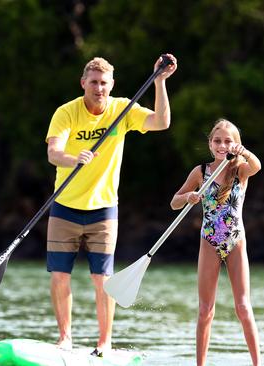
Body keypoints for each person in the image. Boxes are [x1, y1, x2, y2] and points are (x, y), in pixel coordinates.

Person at [45, 54, 177, 356]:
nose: (99, 88)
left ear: (112, 85)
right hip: (64, 205)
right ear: (83, 83)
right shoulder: (66, 113)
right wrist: (72, 159)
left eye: (104, 83)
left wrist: (159, 83)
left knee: (102, 279)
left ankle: (104, 342)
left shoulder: (122, 110)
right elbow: (54, 152)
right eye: (93, 82)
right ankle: (65, 338)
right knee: (59, 276)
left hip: (104, 210)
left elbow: (161, 122)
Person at [170, 119, 262, 366]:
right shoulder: (200, 172)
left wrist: (243, 152)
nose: (222, 145)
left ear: (235, 144)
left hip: (236, 242)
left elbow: (257, 166)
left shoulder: (240, 168)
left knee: (243, 307)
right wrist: (188, 196)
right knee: (205, 310)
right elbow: (174, 202)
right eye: (217, 141)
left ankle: (257, 363)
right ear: (210, 144)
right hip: (209, 243)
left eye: (228, 141)